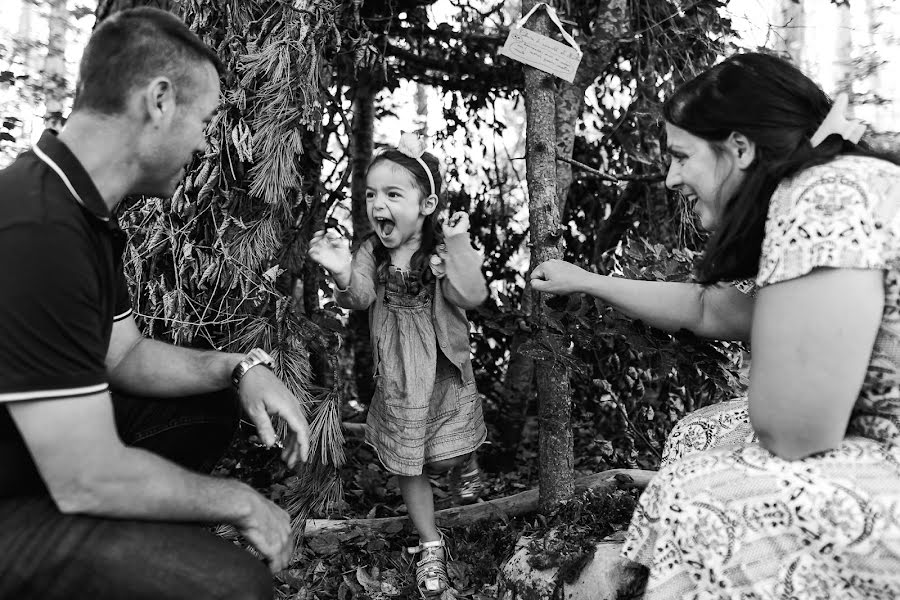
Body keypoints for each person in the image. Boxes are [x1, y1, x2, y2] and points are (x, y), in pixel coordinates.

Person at [531, 52, 900, 598]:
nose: (671, 177)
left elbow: (792, 431)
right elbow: (711, 310)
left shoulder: (825, 197)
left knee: (696, 494)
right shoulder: (816, 190)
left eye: (681, 156)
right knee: (696, 433)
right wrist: (588, 280)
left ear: (740, 148)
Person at [0, 8, 310, 600]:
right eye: (205, 119)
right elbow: (87, 476)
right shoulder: (35, 228)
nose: (204, 140)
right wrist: (244, 503)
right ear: (160, 101)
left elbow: (124, 356)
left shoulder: (81, 210)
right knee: (234, 587)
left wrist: (239, 368)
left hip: (45, 472)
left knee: (211, 400)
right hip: (21, 499)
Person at [308, 134, 488, 597]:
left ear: (426, 204)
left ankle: (463, 464)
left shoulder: (441, 248)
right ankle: (430, 543)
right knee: (412, 465)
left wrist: (460, 245)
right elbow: (361, 295)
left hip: (444, 369)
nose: (378, 204)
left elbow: (473, 296)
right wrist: (340, 271)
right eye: (371, 194)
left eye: (392, 194)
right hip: (400, 377)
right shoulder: (373, 251)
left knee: (447, 451)